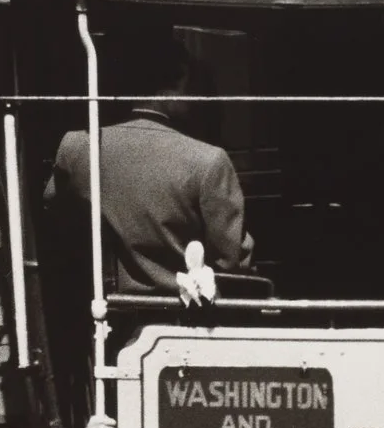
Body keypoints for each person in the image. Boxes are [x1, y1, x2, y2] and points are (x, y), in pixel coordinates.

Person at [48, 35, 250, 306]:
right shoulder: (208, 160)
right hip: (182, 316)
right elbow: (231, 259)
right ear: (178, 83)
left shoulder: (76, 147)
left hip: (99, 309)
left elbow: (57, 218)